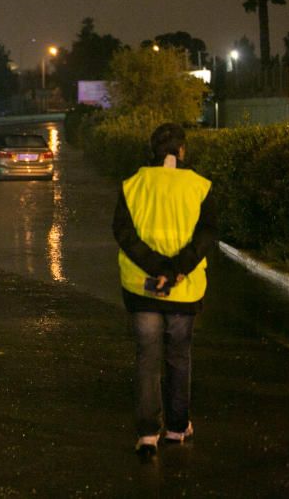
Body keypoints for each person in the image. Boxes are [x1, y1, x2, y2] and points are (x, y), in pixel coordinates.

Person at [113, 122, 217, 457]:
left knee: (147, 358)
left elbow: (124, 233)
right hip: (183, 290)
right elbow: (205, 235)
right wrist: (175, 271)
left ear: (151, 150)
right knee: (178, 356)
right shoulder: (200, 186)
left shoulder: (133, 185)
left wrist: (157, 269)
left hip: (142, 287)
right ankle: (176, 427)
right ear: (182, 150)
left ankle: (147, 434)